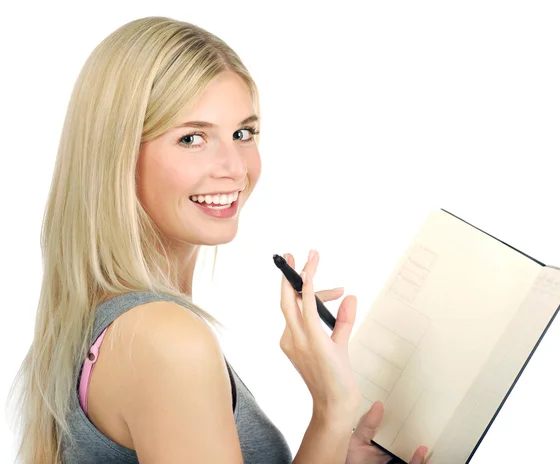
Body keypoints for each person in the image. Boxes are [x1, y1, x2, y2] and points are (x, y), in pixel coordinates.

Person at [7, 16, 428, 464]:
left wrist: (329, 450)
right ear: (118, 154)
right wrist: (332, 410)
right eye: (192, 138)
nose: (234, 166)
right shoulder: (164, 339)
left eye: (243, 134)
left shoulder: (101, 320)